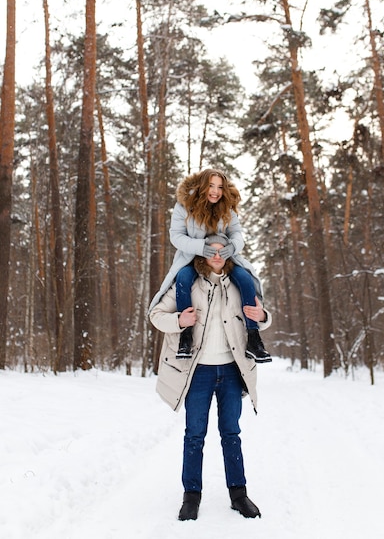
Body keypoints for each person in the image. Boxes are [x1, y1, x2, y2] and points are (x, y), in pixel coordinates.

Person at [150, 233, 272, 521]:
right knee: (194, 435)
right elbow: (156, 315)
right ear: (202, 254)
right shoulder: (188, 282)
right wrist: (179, 321)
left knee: (231, 433)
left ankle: (238, 495)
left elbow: (263, 317)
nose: (217, 256)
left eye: (222, 251)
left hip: (231, 369)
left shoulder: (241, 284)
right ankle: (191, 496)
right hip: (198, 372)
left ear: (229, 253)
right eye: (211, 251)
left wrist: (263, 317)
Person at [149, 168, 271, 363]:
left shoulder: (227, 207)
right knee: (183, 279)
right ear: (202, 186)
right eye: (211, 186)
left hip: (223, 258)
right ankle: (186, 337)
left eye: (220, 187)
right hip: (192, 258)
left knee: (246, 278)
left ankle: (253, 337)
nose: (215, 191)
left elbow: (237, 233)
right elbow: (176, 236)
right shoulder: (184, 206)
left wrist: (232, 247)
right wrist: (199, 247)